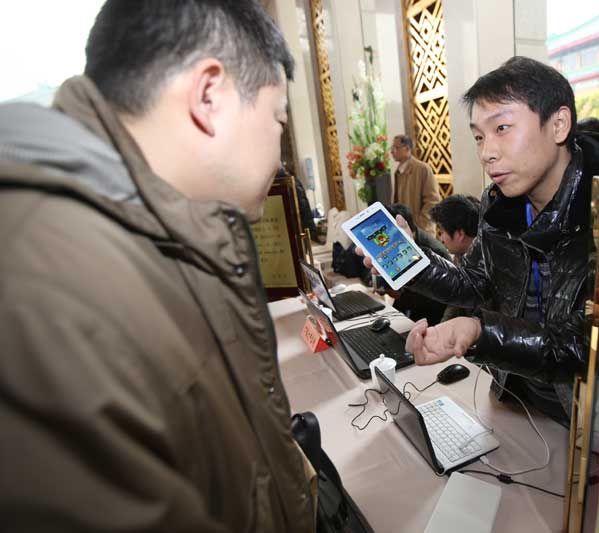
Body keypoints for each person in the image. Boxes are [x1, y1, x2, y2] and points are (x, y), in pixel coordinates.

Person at [0, 2, 316, 531]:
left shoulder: (172, 229)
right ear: (209, 96)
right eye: (278, 118)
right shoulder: (46, 287)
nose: (281, 155)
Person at [363, 57, 599, 425]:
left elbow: (579, 347)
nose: (486, 152)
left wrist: (479, 332)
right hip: (515, 392)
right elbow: (473, 282)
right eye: (479, 136)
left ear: (559, 124)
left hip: (587, 415)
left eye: (502, 128)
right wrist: (408, 258)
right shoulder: (500, 205)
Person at [386, 203, 451, 324]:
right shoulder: (401, 245)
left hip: (432, 315)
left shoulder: (435, 253)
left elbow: (437, 299)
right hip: (411, 303)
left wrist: (400, 296)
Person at [429, 194, 482, 322]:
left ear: (460, 234)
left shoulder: (485, 263)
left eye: (441, 232)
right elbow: (454, 302)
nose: (440, 239)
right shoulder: (460, 255)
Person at [390, 134, 441, 235]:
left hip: (421, 231)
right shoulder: (398, 171)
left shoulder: (422, 169)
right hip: (405, 230)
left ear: (407, 148)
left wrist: (419, 225)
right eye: (392, 148)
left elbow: (433, 201)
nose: (392, 151)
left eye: (396, 147)